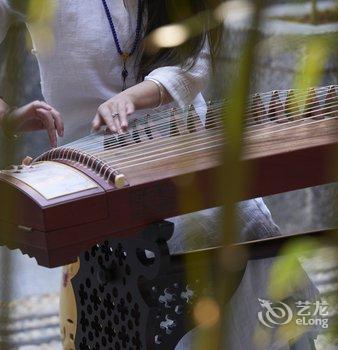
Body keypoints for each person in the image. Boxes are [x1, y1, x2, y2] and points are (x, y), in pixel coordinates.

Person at [0, 1, 318, 349]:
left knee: (249, 228)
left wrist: (133, 98)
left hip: (183, 151)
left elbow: (197, 57)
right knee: (156, 254)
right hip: (94, 177)